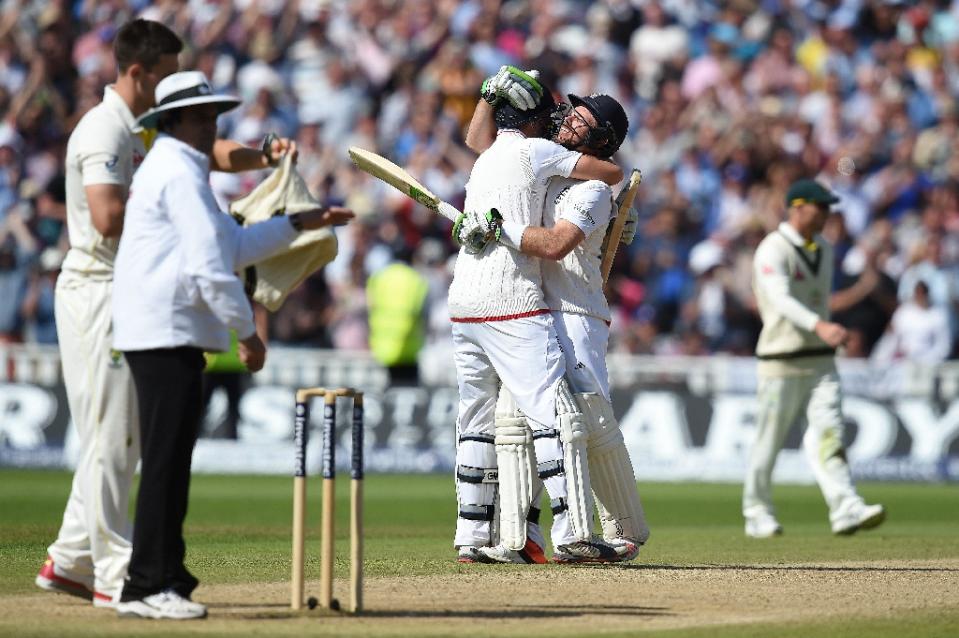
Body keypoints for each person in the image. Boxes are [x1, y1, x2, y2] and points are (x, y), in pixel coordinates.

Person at [36, 19, 299, 610]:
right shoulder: (103, 130)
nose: (172, 85)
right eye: (165, 75)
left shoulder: (146, 132)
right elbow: (107, 217)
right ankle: (113, 571)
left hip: (129, 285)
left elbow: (211, 153)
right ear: (137, 72)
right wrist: (186, 221)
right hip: (98, 285)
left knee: (126, 434)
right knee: (111, 436)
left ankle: (71, 557)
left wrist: (262, 155)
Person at [111, 71, 353, 619]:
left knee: (171, 459)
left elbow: (235, 243)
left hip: (167, 329)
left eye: (213, 115)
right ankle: (148, 584)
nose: (209, 125)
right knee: (167, 461)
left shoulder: (184, 171)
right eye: (198, 116)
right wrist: (246, 334)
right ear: (171, 122)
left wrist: (298, 222)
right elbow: (210, 267)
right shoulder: (176, 171)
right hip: (164, 329)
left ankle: (161, 575)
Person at [449, 67, 629, 564]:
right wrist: (488, 95)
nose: (567, 118)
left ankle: (478, 535)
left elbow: (609, 179)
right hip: (516, 302)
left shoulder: (509, 158)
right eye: (565, 112)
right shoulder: (537, 152)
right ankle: (560, 532)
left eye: (580, 117)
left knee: (495, 421)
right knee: (544, 420)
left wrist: (614, 211)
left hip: (513, 307)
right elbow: (610, 174)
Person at [744, 178, 886, 538]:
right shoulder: (772, 249)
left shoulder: (823, 246)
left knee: (830, 433)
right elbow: (779, 298)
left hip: (822, 361)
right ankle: (756, 511)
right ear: (797, 208)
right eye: (820, 207)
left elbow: (817, 300)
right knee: (769, 440)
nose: (826, 214)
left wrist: (823, 329)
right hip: (781, 359)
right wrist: (820, 326)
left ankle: (845, 506)